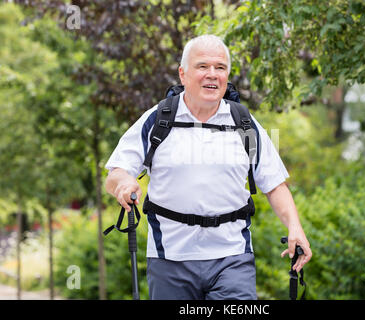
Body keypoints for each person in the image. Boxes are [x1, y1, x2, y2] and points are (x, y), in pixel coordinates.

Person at [104, 34, 312, 300]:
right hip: (169, 257)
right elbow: (116, 171)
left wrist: (295, 227)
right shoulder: (158, 120)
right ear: (183, 74)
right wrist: (123, 184)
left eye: (220, 67)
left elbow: (274, 184)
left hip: (232, 258)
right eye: (202, 66)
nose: (212, 74)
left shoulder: (244, 123)